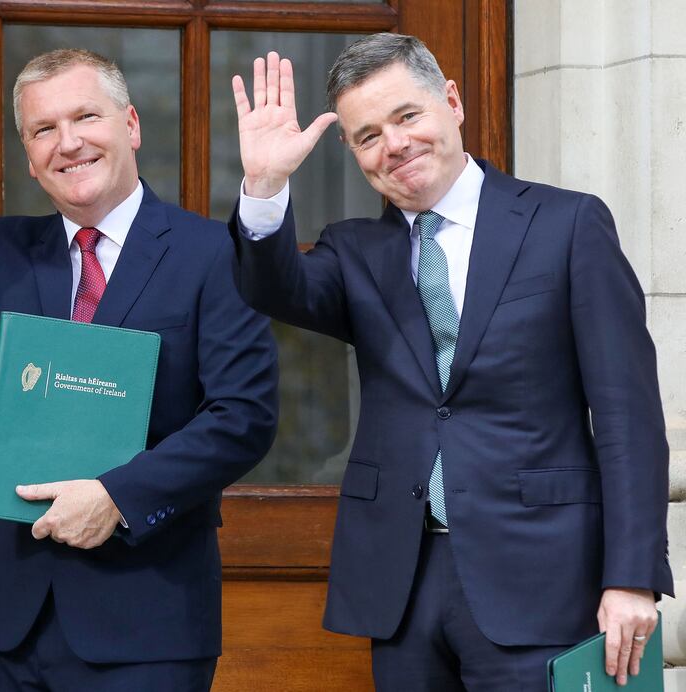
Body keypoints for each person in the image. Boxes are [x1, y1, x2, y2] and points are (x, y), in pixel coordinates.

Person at [228, 33, 672, 691]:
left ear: (453, 103)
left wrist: (631, 576)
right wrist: (265, 185)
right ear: (351, 150)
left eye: (407, 116)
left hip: (545, 579)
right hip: (402, 587)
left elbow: (628, 416)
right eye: (368, 135)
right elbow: (272, 288)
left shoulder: (566, 225)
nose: (395, 144)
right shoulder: (354, 252)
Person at [0, 49, 278, 691]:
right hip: (7, 615)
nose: (67, 143)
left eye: (86, 117)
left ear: (130, 125)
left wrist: (117, 497)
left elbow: (243, 418)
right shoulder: (4, 248)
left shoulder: (214, 253)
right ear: (29, 155)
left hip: (145, 618)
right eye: (44, 129)